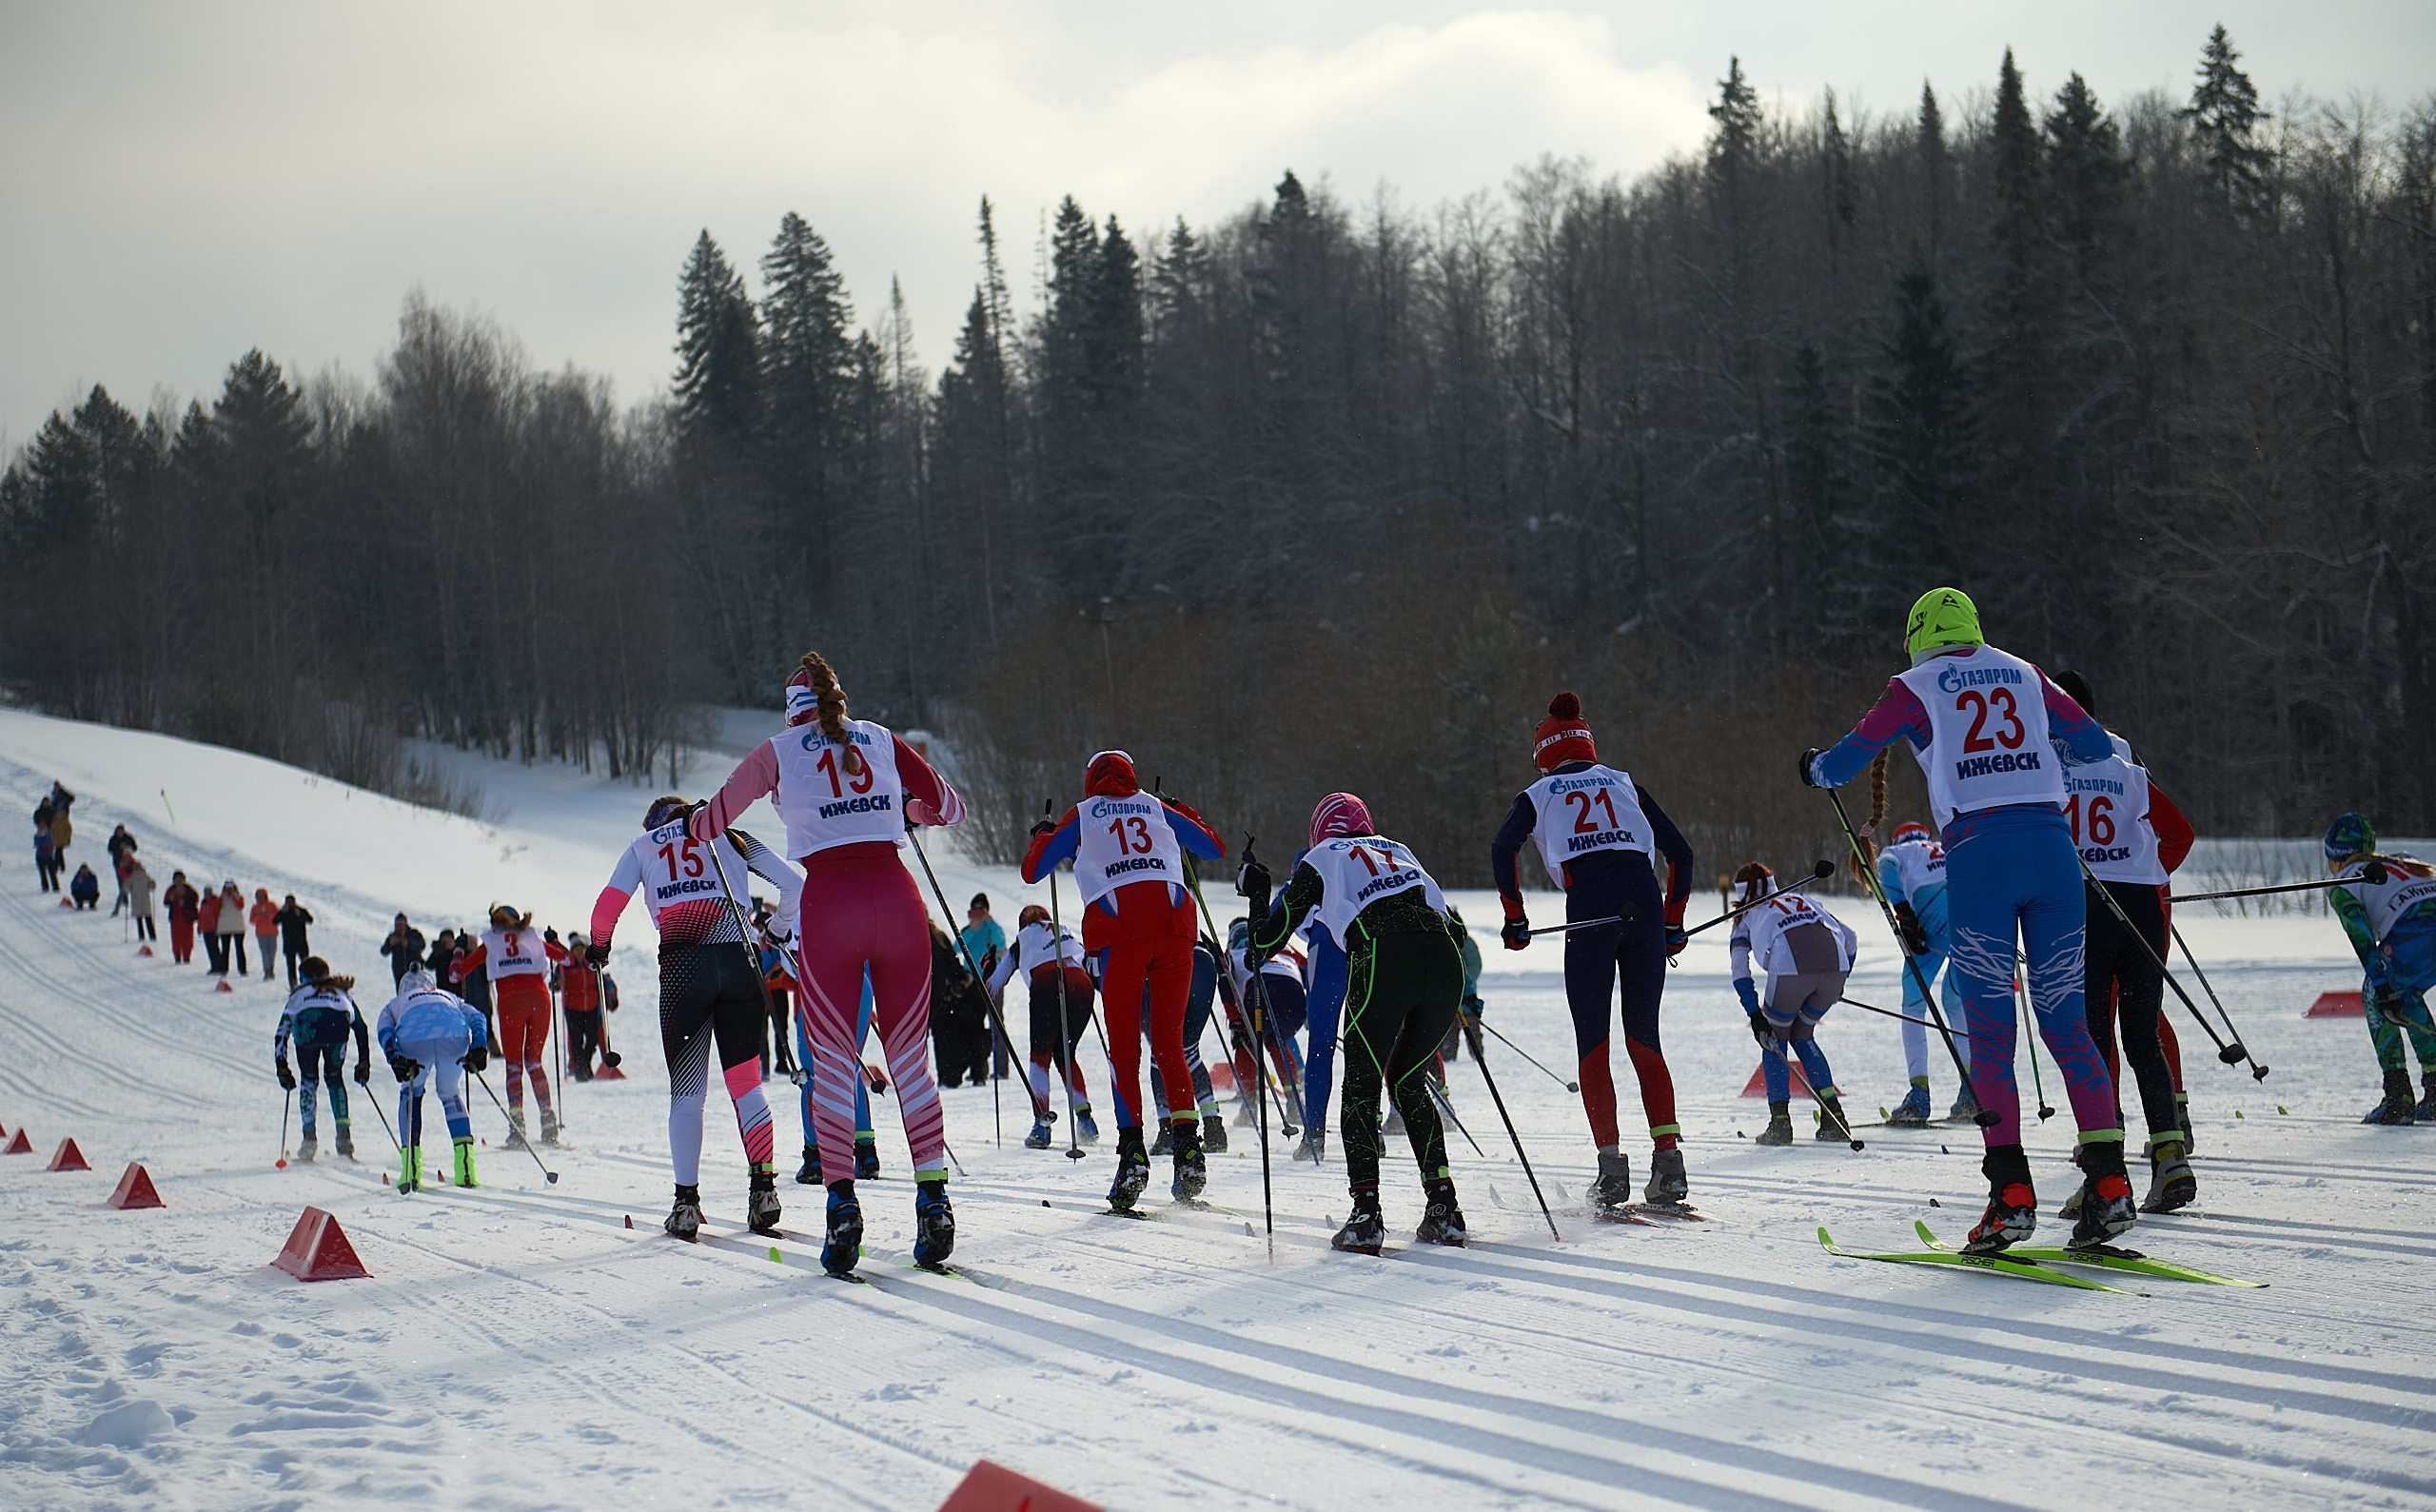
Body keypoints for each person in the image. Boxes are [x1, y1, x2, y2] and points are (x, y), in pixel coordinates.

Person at [1802, 585, 2130, 1252]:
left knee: (1990, 1032)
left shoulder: (1914, 683)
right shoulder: (2028, 672)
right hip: (2054, 852)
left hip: (1981, 858)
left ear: (1919, 635)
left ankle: (2009, 1194)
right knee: (2069, 1025)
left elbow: (1844, 759)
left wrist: (1812, 768)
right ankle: (2111, 1183)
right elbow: (2095, 745)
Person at [686, 651, 967, 1274]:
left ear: (791, 711)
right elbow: (950, 808)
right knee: (909, 1063)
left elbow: (712, 820)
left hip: (830, 907)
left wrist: (694, 826)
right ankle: (935, 1201)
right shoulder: (882, 738)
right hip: (897, 901)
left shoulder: (780, 749)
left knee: (833, 1065)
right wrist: (903, 813)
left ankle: (842, 1209)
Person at [1490, 692, 1698, 1211]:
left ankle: (1611, 1171)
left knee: (1593, 1042)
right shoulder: (1626, 783)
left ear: (1543, 753)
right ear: (1588, 744)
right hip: (1643, 901)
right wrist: (1672, 921)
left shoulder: (1538, 793)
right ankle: (1669, 1165)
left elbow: (1502, 849)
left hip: (1591, 907)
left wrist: (1515, 917)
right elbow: (1682, 854)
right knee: (1644, 1035)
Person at [1243, 793, 1472, 1253]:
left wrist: (1257, 894)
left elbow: (1264, 943)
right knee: (1408, 1083)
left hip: (1384, 957)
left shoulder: (1320, 858)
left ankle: (1366, 1216)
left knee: (1361, 1091)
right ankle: (1444, 1209)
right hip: (1445, 964)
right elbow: (1458, 930)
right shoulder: (1399, 850)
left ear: (1318, 831)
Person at [1022, 752, 1226, 1213]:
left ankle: (1132, 1154)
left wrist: (1045, 836)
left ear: (1092, 781)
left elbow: (1033, 871)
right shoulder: (1156, 807)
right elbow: (1213, 847)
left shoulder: (1085, 812)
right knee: (1171, 1046)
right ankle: (1188, 1149)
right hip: (1176, 927)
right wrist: (1182, 809)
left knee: (1124, 1050)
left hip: (1121, 933)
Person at [594, 795, 804, 1238]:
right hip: (739, 961)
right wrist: (779, 928)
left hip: (683, 968)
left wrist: (599, 947)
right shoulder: (729, 833)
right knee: (747, 1085)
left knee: (688, 1094)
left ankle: (686, 1203)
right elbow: (794, 885)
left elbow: (604, 912)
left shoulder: (643, 844)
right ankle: (764, 1189)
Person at [2051, 670, 2199, 1213]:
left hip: (2085, 908)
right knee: (2142, 1037)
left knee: (2091, 1042)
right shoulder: (2123, 764)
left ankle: (2103, 1178)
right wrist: (2146, 875)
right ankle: (2170, 1157)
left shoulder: (2043, 766)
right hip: (2141, 908)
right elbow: (2180, 831)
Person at [1729, 861, 1861, 1146]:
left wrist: (1754, 1014)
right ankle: (1834, 1119)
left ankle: (1780, 1125)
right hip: (1834, 970)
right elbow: (1850, 938)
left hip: (1791, 972)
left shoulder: (1745, 917)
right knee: (1803, 1035)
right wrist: (1841, 980)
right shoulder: (1804, 899)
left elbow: (1740, 971)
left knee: (1773, 1039)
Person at [2324, 813, 2436, 1125]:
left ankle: (2398, 1095)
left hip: (2415, 937)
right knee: (2407, 995)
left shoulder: (2345, 881)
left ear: (2333, 856)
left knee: (2376, 992)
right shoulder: (2405, 860)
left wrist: (2380, 984)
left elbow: (2362, 940)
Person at [1873, 820, 1971, 1125]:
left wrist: (1903, 911)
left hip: (1929, 921)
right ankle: (1971, 1093)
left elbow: (1885, 866)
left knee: (1913, 1006)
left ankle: (1919, 1096)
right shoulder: (1945, 846)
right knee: (1954, 1001)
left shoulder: (1899, 850)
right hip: (1967, 916)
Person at [986, 904, 1100, 1149]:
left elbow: (993, 986)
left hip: (1047, 983)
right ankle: (1085, 1121)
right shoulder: (1064, 931)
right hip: (1081, 985)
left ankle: (1042, 1125)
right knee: (1066, 1054)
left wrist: (987, 968)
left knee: (1040, 1057)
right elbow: (1091, 965)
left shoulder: (1021, 942)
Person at [452, 907, 562, 1147]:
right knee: (534, 1061)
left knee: (514, 1065)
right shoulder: (532, 936)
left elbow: (455, 975)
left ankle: (517, 1126)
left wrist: (459, 949)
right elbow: (565, 958)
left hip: (511, 1001)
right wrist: (554, 941)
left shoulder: (491, 940)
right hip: (540, 999)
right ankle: (548, 1121)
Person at [376, 968, 491, 1191]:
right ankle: (466, 1169)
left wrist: (394, 1056)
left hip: (413, 1036)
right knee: (450, 1093)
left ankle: (411, 1171)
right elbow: (477, 1017)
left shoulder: (396, 1002)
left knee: (411, 1092)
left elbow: (385, 1031)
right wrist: (479, 1046)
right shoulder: (448, 995)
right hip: (454, 1033)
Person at [274, 957, 371, 1162]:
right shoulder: (342, 991)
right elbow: (361, 1028)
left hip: (307, 1032)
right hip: (337, 1029)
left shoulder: (299, 994)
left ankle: (309, 1140)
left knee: (309, 1081)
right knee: (335, 1079)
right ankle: (344, 1140)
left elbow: (282, 1032)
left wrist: (281, 1067)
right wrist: (364, 1062)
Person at [929, 922, 992, 1088]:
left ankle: (950, 1075)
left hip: (940, 999)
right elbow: (953, 961)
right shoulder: (937, 937)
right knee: (946, 1037)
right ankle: (949, 1075)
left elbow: (951, 964)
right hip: (939, 998)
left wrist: (959, 983)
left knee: (946, 1038)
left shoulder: (936, 938)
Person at [962, 893, 1012, 1080]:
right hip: (973, 980)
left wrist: (989, 923)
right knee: (972, 1025)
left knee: (996, 1023)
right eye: (974, 911)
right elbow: (957, 947)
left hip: (992, 979)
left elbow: (1000, 944)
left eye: (981, 910)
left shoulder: (993, 929)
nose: (977, 915)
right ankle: (976, 1068)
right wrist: (973, 930)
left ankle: (1001, 1069)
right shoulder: (969, 930)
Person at [560, 932, 606, 1080]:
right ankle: (582, 1071)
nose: (579, 952)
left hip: (591, 1007)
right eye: (576, 949)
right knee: (576, 1041)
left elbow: (600, 982)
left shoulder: (591, 965)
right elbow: (554, 984)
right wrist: (556, 983)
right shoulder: (566, 965)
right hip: (573, 1009)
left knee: (592, 1040)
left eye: (581, 948)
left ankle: (583, 1065)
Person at [272, 893, 314, 989]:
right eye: (288, 903)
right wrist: (281, 912)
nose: (290, 905)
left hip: (301, 943)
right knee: (291, 967)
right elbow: (274, 922)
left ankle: (307, 983)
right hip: (289, 944)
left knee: (306, 965)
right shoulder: (283, 912)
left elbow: (310, 920)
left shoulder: (300, 910)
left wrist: (300, 914)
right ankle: (293, 985)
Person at [164, 871, 200, 963]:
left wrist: (185, 902)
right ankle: (177, 956)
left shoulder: (188, 889)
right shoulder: (171, 890)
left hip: (187, 918)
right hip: (175, 918)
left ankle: (187, 956)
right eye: (176, 879)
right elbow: (166, 902)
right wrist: (171, 899)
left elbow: (195, 899)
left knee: (188, 939)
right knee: (176, 938)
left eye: (180, 879)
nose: (178, 881)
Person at [380, 914, 427, 986]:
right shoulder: (393, 936)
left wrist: (409, 943)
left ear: (405, 924)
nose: (399, 927)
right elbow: (383, 952)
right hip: (399, 972)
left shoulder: (414, 934)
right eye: (397, 925)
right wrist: (390, 943)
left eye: (401, 924)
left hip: (415, 970)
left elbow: (422, 945)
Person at [213, 881, 248, 977]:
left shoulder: (239, 897)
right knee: (225, 949)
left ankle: (242, 969)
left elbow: (240, 906)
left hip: (238, 927)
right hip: (225, 927)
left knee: (239, 948)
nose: (229, 891)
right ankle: (223, 969)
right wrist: (222, 898)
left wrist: (235, 897)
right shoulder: (220, 899)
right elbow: (216, 908)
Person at [126, 858, 158, 943]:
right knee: (148, 919)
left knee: (139, 920)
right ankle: (152, 936)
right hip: (145, 900)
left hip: (136, 900)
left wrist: (128, 888)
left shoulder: (131, 878)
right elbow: (151, 887)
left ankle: (141, 937)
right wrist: (153, 884)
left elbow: (127, 888)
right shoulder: (146, 876)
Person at [107, 825, 137, 915]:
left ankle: (131, 900)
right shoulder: (113, 839)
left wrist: (127, 848)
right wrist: (118, 849)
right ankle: (124, 899)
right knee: (121, 881)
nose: (119, 833)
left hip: (129, 862)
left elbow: (134, 848)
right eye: (118, 831)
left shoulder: (128, 838)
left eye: (121, 831)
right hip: (118, 862)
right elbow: (110, 849)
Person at [33, 817, 61, 892]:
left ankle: (56, 887)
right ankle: (45, 888)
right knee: (43, 874)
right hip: (40, 857)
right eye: (40, 827)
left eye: (43, 827)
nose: (42, 829)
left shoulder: (49, 835)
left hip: (48, 856)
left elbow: (50, 844)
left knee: (52, 873)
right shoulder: (37, 836)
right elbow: (36, 844)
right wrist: (39, 837)